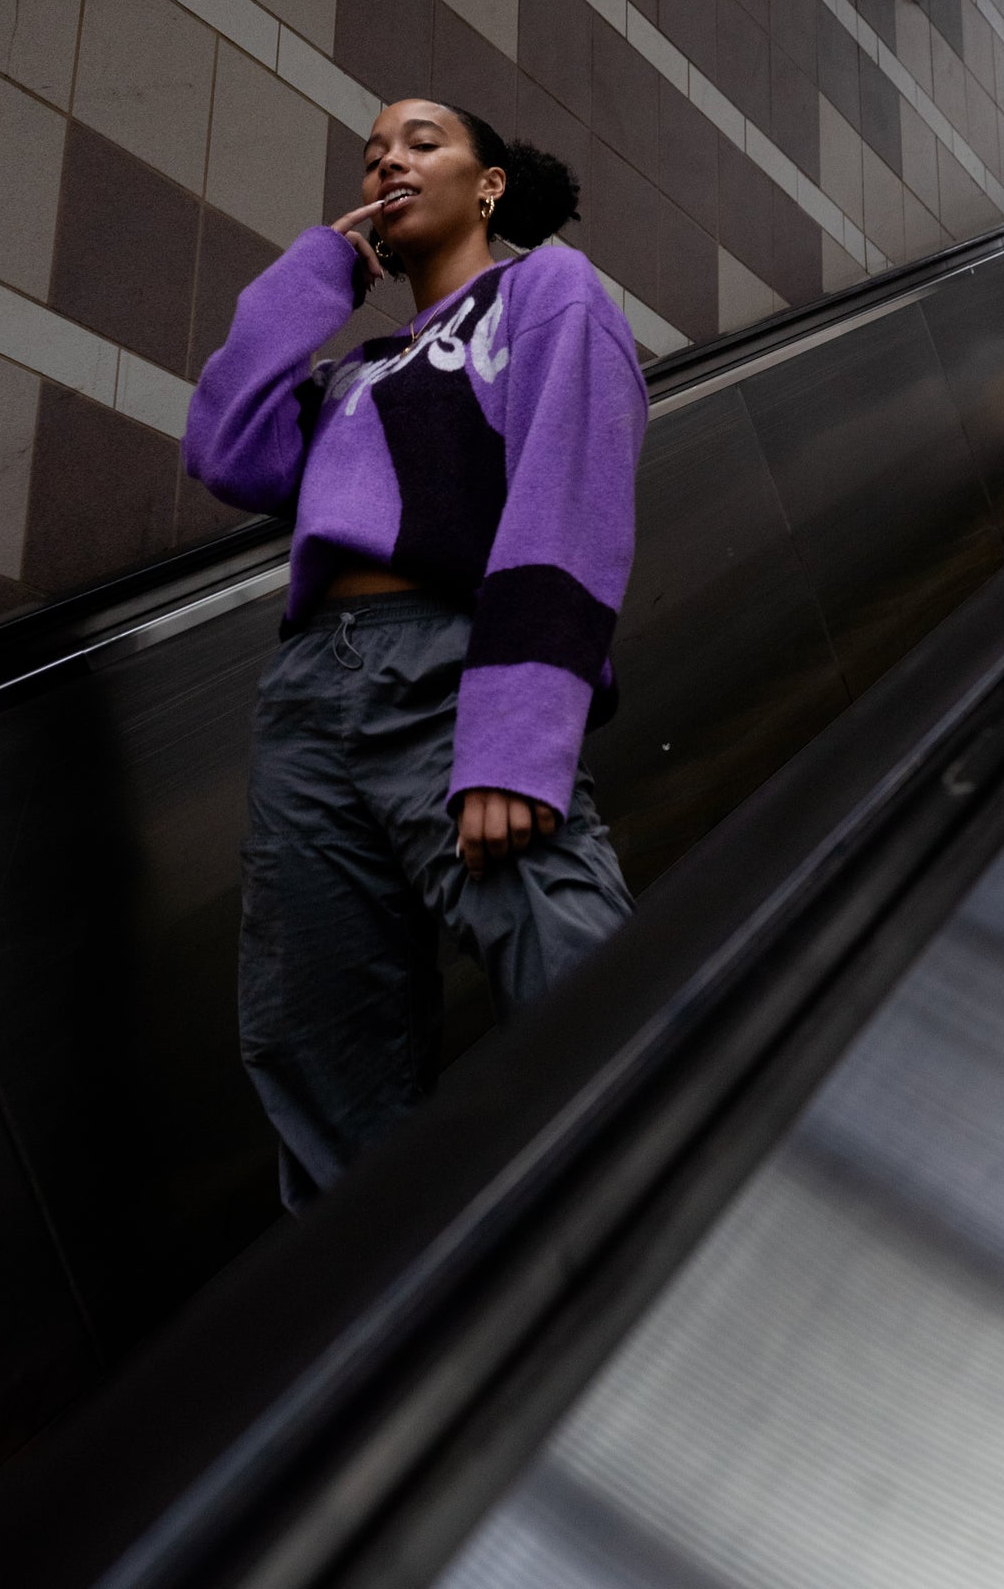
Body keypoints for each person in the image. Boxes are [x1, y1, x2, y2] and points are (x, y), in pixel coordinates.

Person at [183, 98, 649, 1211]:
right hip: (307, 696)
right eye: (373, 150)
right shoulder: (361, 369)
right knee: (311, 1031)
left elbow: (567, 493)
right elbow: (225, 445)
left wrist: (519, 730)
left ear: (487, 184)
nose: (389, 156)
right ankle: (375, 1311)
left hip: (452, 669)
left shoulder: (544, 293)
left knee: (563, 952)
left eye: (422, 140)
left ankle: (671, 1223)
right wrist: (318, 273)